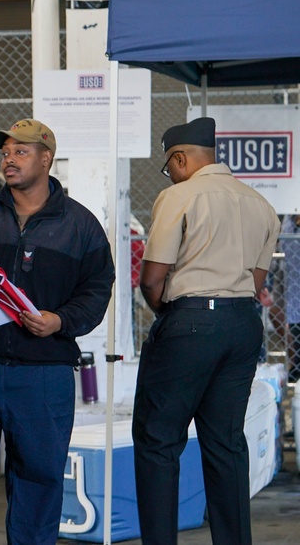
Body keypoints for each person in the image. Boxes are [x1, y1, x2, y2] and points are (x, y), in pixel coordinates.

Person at [0, 118, 115, 544]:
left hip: (42, 373)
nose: (9, 160)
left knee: (39, 483)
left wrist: (60, 321)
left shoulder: (80, 226)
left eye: (21, 152)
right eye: (6, 152)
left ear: (46, 158)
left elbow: (97, 289)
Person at [134, 116, 279, 545]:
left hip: (190, 321)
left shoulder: (179, 195)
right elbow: (256, 283)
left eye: (169, 165)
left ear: (180, 158)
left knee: (158, 440)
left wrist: (171, 313)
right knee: (226, 443)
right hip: (241, 325)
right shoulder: (259, 202)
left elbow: (151, 276)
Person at [280, 214, 300, 382]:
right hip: (294, 285)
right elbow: (285, 240)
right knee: (295, 329)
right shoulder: (289, 219)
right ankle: (297, 365)